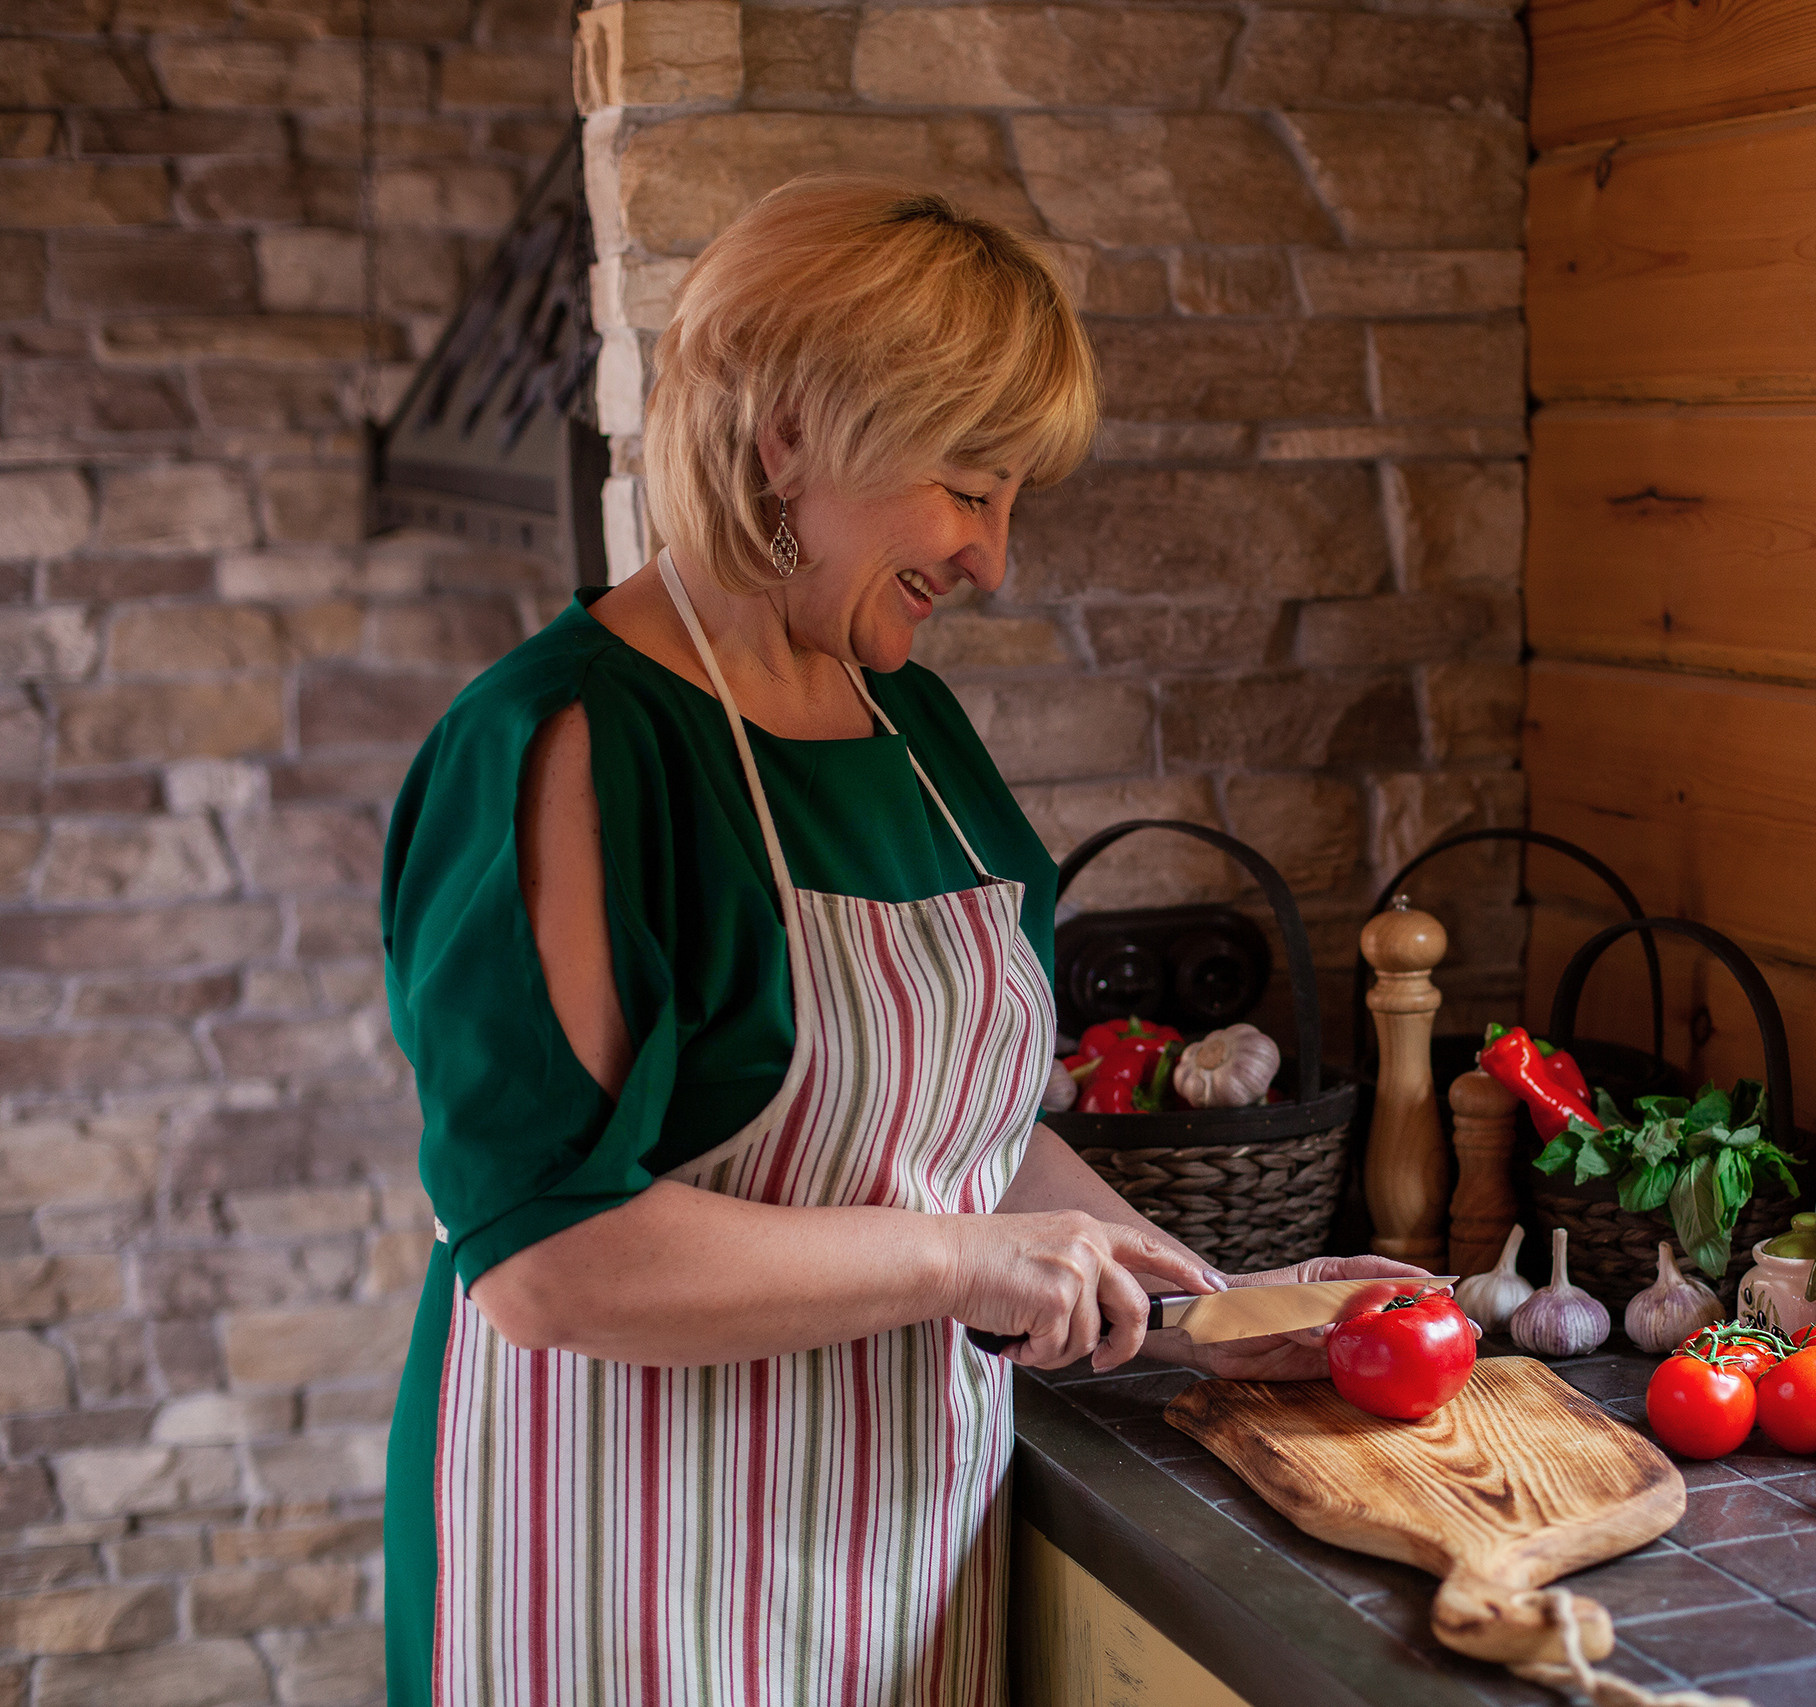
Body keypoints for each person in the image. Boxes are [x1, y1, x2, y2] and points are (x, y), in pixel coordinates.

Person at [379, 175, 1419, 1705]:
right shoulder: (563, 743)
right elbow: (550, 1261)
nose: (995, 558)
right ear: (790, 434)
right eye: (971, 486)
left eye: (1015, 501)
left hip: (893, 1549)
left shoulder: (912, 722)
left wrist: (1208, 1313)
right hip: (616, 1561)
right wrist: (965, 1261)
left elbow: (962, 1137)